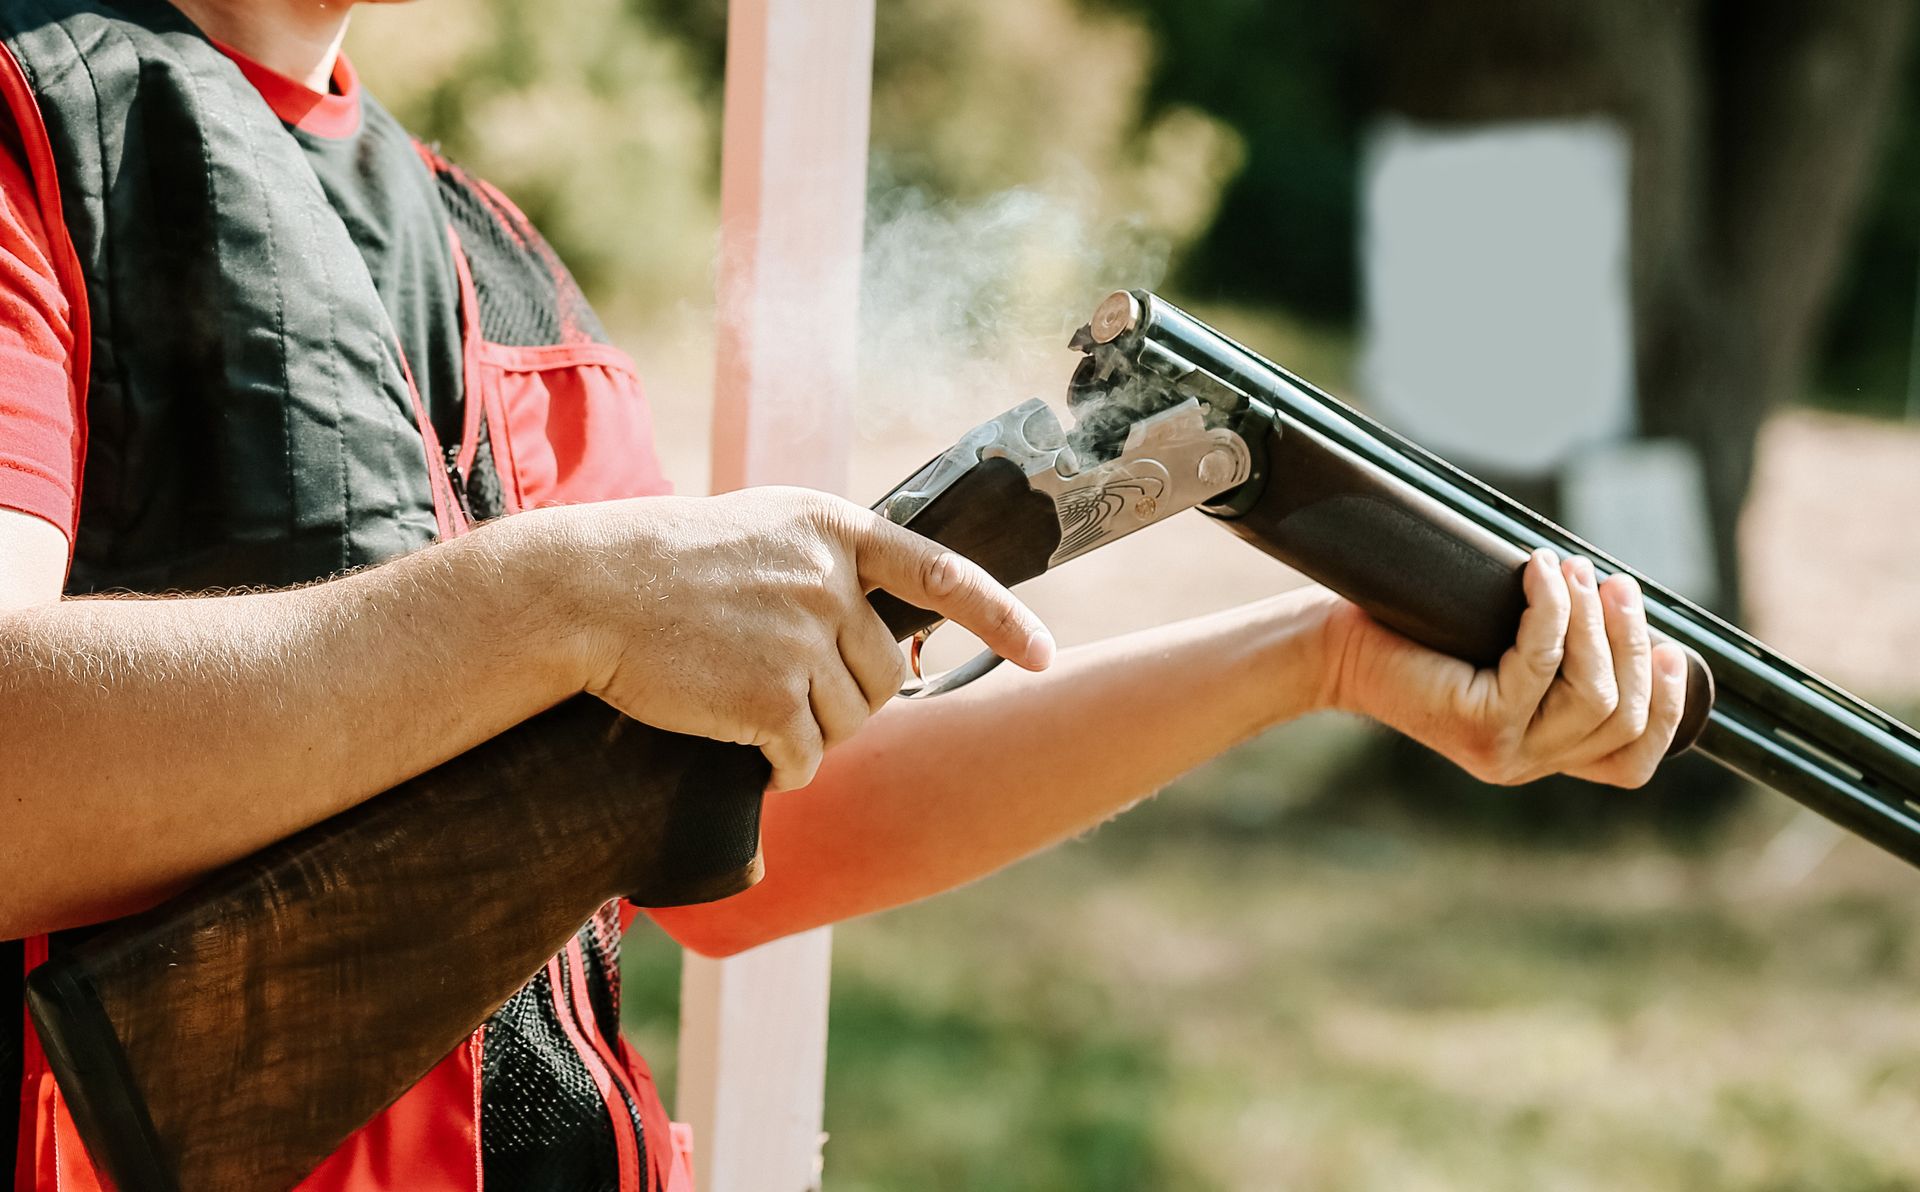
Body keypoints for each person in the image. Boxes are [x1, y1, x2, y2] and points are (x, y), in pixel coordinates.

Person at [0, 0, 1691, 1188]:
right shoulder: (34, 118)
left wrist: (1321, 656)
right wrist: (558, 602)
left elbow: (743, 840)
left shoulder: (485, 251)